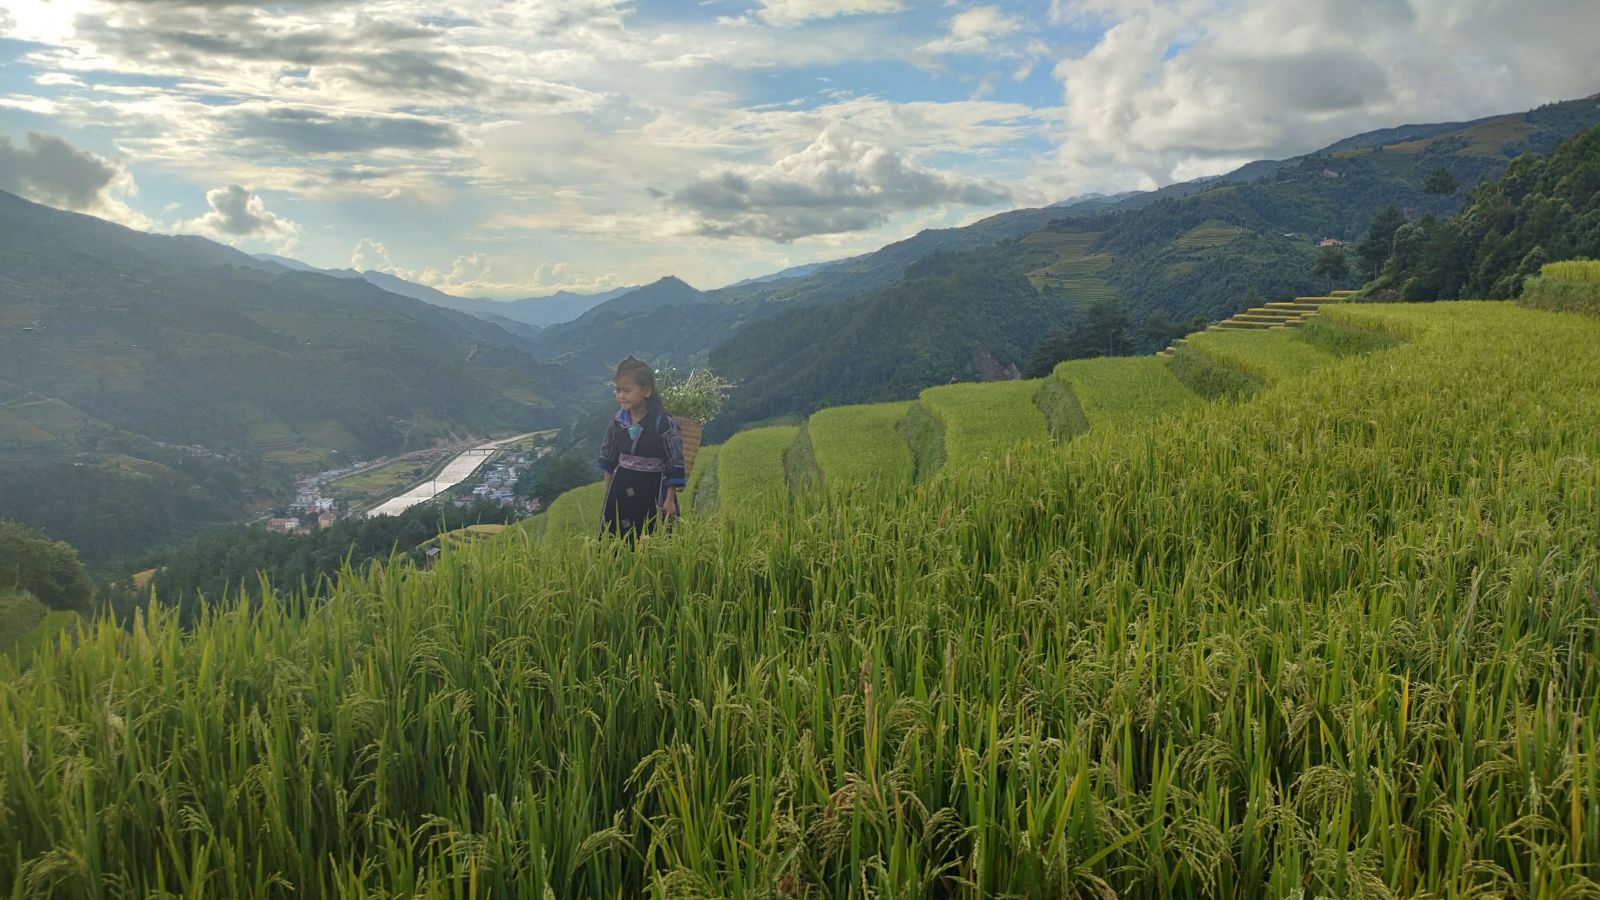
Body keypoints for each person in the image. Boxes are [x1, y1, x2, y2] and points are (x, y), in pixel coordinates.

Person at [597, 356, 686, 540]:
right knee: (618, 537)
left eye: (627, 390)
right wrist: (608, 496)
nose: (621, 395)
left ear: (646, 391)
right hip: (621, 489)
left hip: (653, 489)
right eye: (618, 390)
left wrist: (669, 500)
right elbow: (608, 459)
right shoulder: (617, 421)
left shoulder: (663, 423)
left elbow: (674, 461)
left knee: (652, 536)